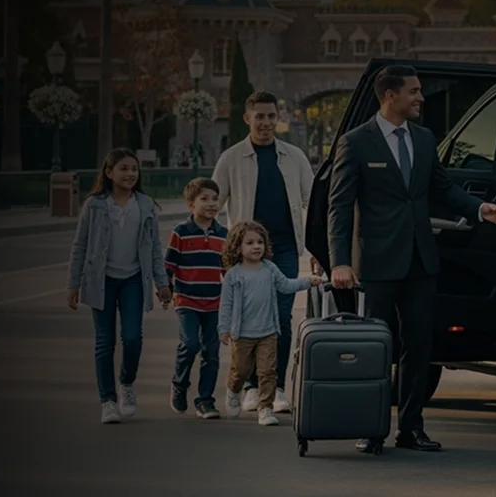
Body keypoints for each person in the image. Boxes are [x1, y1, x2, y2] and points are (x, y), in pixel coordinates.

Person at [328, 64, 496, 453]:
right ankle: (371, 428)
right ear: (389, 96)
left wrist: (481, 209)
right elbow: (339, 207)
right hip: (377, 263)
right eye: (414, 91)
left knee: (420, 345)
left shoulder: (425, 139)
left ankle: (410, 428)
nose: (421, 98)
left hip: (421, 261)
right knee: (378, 347)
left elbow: (444, 190)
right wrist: (339, 261)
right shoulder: (356, 142)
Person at [211, 90, 317, 414]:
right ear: (247, 118)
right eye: (260, 116)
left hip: (284, 249)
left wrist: (318, 249)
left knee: (280, 319)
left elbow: (311, 203)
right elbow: (213, 206)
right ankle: (252, 388)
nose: (266, 123)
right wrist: (222, 254)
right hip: (245, 255)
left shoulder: (294, 156)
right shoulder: (231, 159)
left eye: (271, 116)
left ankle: (277, 387)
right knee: (250, 322)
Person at [67, 148, 172, 424]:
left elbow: (154, 249)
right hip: (100, 281)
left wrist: (162, 283)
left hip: (134, 280)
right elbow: (80, 246)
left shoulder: (145, 204)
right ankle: (108, 401)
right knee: (104, 342)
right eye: (123, 169)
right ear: (109, 172)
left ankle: (126, 383)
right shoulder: (95, 205)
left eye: (134, 169)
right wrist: (73, 284)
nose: (130, 174)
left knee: (133, 338)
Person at [219, 221, 322, 426]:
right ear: (237, 247)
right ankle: (233, 390)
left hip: (268, 331)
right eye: (249, 243)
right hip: (242, 334)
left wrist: (307, 281)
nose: (256, 246)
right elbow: (226, 304)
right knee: (241, 370)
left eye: (260, 242)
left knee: (268, 371)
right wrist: (224, 328)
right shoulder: (234, 275)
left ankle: (265, 408)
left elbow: (285, 285)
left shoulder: (269, 268)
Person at [164, 177, 230, 419]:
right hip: (187, 301)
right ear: (191, 205)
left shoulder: (224, 235)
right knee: (190, 344)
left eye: (215, 199)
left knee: (211, 353)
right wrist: (165, 289)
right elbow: (169, 265)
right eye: (204, 199)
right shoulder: (181, 233)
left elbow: (229, 272)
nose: (212, 204)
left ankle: (205, 400)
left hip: (215, 302)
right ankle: (179, 384)